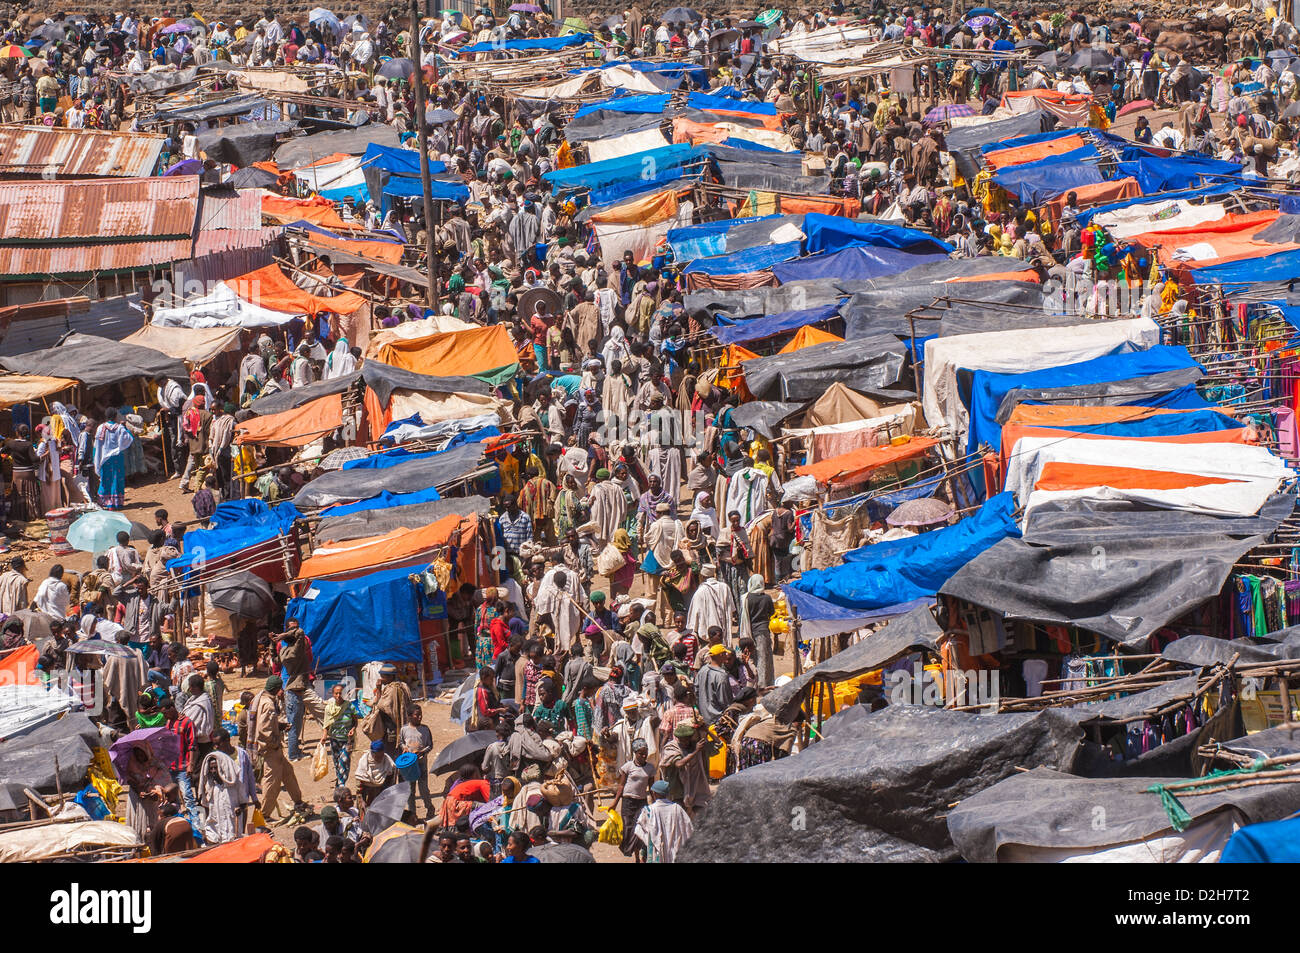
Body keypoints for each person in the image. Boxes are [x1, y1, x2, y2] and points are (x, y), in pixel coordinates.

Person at [248, 675, 311, 823]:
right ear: (277, 689)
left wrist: (280, 726)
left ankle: (298, 801)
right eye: (280, 689)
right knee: (272, 782)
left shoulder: (261, 698)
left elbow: (267, 723)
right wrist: (275, 741)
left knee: (288, 773)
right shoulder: (268, 705)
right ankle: (265, 813)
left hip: (274, 749)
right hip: (271, 749)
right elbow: (264, 729)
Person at [633, 778, 693, 863]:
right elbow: (689, 830)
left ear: (654, 793)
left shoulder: (649, 811)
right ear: (667, 794)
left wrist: (645, 850)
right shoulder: (678, 809)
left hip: (656, 855)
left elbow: (639, 831)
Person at [399, 706, 435, 817]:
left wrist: (422, 753)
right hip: (409, 765)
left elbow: (430, 745)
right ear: (409, 716)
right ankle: (412, 814)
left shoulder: (425, 729)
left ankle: (429, 808)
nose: (419, 717)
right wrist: (404, 748)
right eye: (416, 715)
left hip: (421, 763)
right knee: (410, 790)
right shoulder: (404, 729)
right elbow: (401, 742)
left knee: (423, 788)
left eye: (420, 714)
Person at [323, 682, 357, 786]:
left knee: (344, 760)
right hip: (334, 739)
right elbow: (327, 723)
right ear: (333, 694)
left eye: (340, 693)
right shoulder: (329, 708)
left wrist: (353, 729)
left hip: (347, 740)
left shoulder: (349, 706)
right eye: (336, 693)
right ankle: (340, 781)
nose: (338, 696)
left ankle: (341, 784)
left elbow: (355, 721)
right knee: (337, 762)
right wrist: (324, 736)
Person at [353, 740, 396, 805]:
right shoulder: (364, 762)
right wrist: (361, 800)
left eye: (381, 755)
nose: (379, 758)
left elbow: (391, 781)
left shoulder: (388, 762)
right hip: (365, 791)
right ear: (372, 753)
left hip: (381, 792)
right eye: (377, 756)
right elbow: (359, 782)